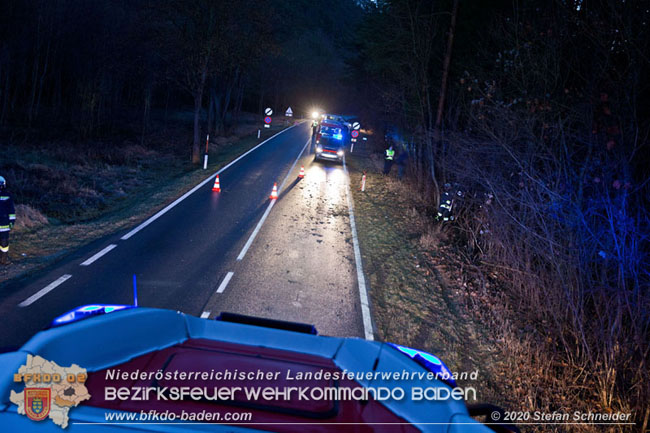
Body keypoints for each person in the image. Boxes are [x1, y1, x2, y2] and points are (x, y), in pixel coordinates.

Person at [0, 176, 16, 265]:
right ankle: (4, 259)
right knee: (4, 243)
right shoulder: (8, 195)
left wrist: (12, 221)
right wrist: (11, 222)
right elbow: (11, 210)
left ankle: (4, 259)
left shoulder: (8, 195)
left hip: (4, 224)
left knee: (4, 243)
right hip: (5, 224)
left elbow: (11, 210)